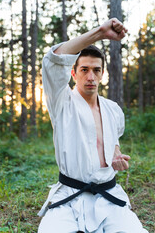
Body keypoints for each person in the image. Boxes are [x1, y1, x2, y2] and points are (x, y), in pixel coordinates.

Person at [38, 18, 148, 233]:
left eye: (96, 70)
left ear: (102, 74)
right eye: (84, 69)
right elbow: (54, 59)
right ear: (73, 73)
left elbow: (113, 139)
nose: (90, 76)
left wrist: (116, 154)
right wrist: (99, 33)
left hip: (109, 196)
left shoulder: (113, 109)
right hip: (70, 196)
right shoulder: (61, 103)